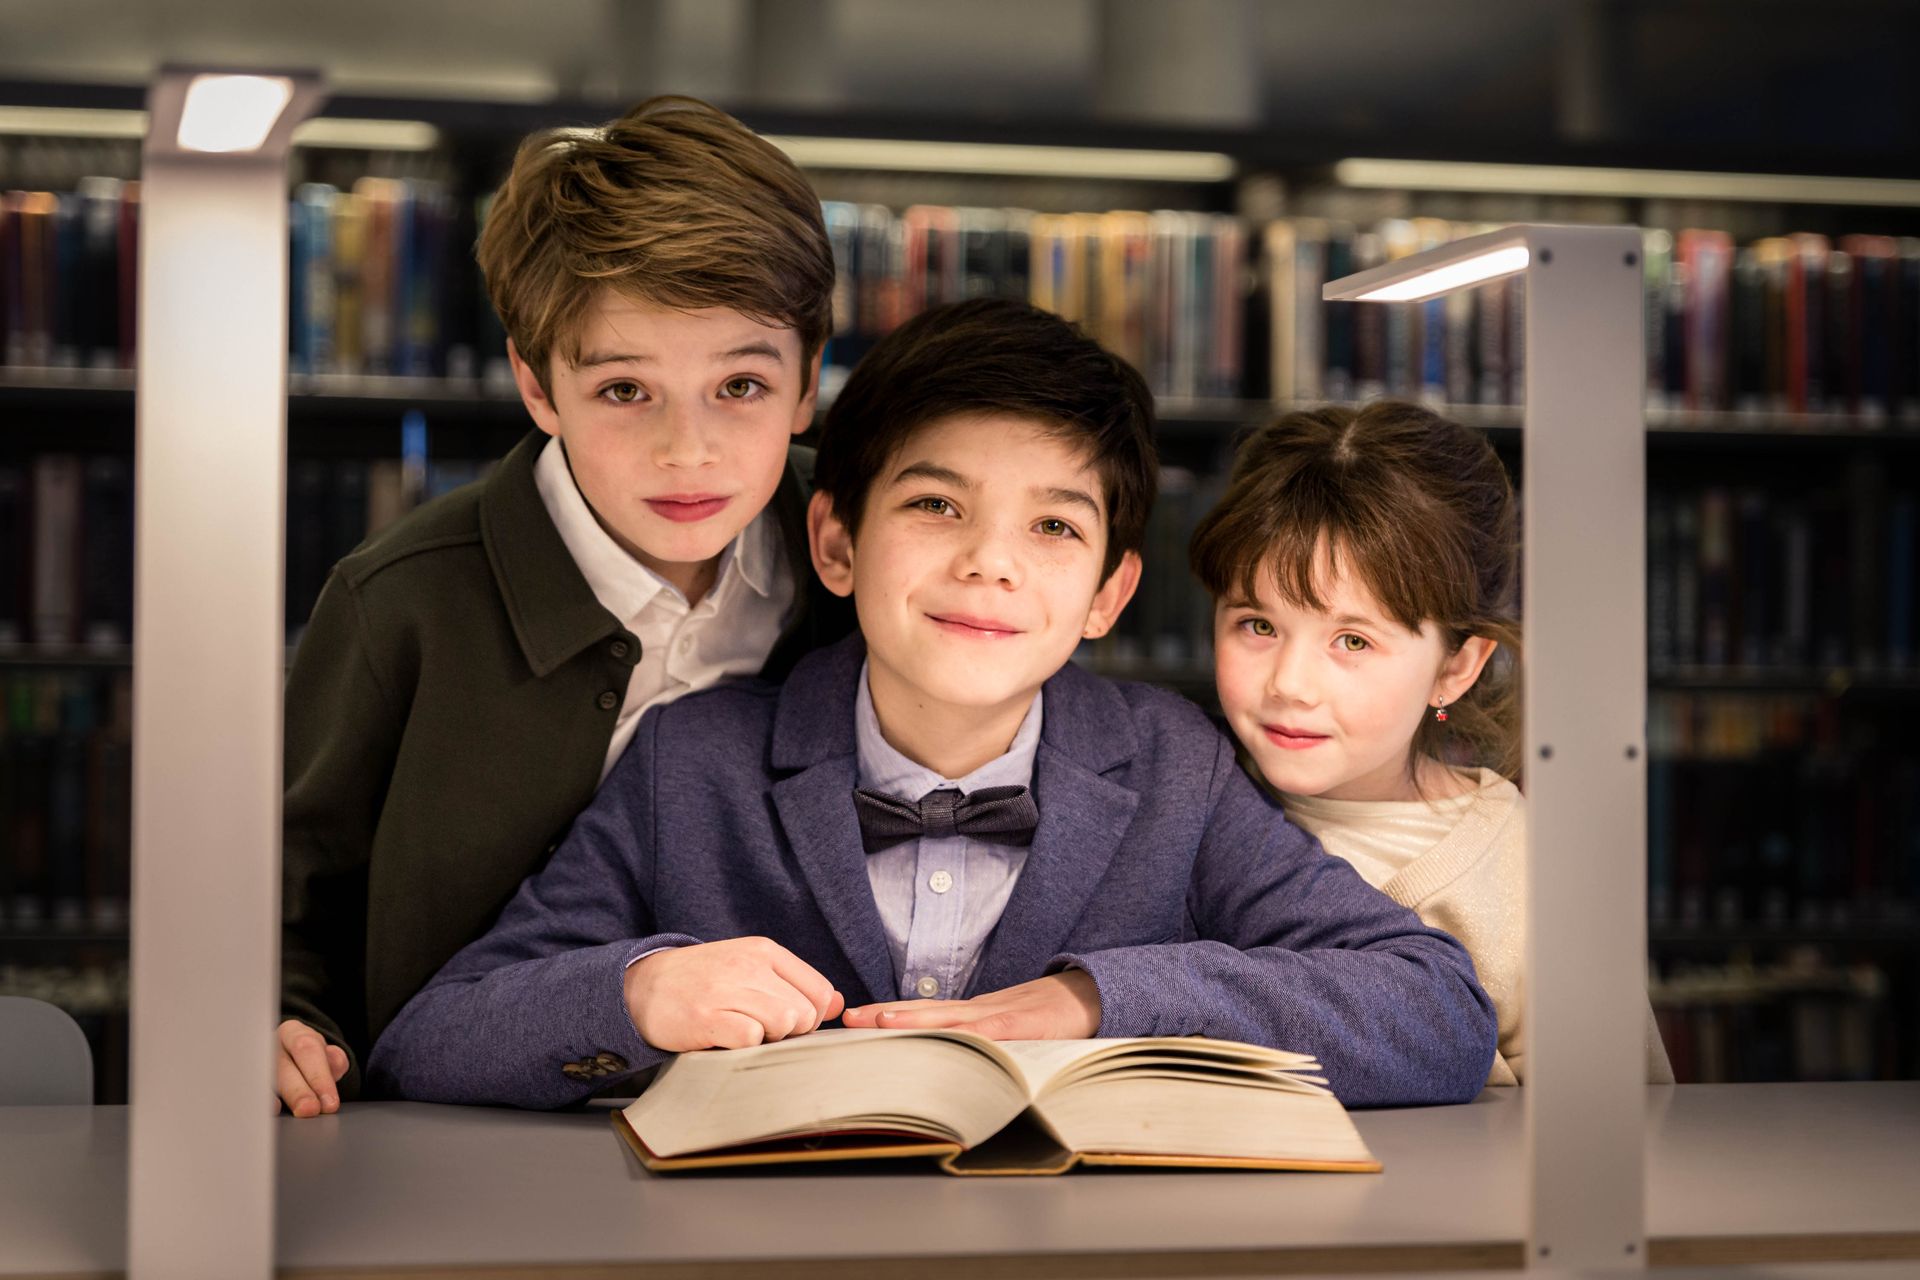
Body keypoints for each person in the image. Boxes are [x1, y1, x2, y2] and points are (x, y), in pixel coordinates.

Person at [367, 299, 1498, 1110]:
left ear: (1109, 593)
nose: (991, 564)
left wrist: (1094, 1000)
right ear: (836, 541)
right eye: (936, 505)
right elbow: (437, 1031)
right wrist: (638, 987)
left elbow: (1435, 1010)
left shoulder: (1172, 766)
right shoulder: (693, 762)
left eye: (1054, 525)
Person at [276, 95, 850, 1116]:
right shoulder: (397, 604)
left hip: (782, 1121)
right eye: (626, 390)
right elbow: (279, 906)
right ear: (539, 386)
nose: (689, 450)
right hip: (454, 1131)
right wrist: (276, 1014)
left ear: (809, 381)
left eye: (743, 387)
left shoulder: (864, 563)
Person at [1190, 400, 1674, 1084]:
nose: (1291, 684)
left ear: (1455, 667)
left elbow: (1629, 1122)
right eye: (1257, 626)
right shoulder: (1172, 789)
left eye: (1353, 640)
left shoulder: (1526, 871)